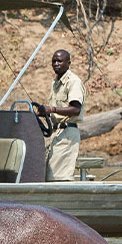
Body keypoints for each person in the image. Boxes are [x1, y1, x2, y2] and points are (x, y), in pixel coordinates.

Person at [37, 49, 85, 181]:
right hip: (55, 132)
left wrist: (52, 109)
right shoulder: (56, 82)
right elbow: (56, 110)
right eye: (53, 61)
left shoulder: (73, 82)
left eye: (59, 61)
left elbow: (76, 109)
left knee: (59, 176)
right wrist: (43, 113)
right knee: (49, 174)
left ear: (68, 63)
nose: (56, 64)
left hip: (67, 133)